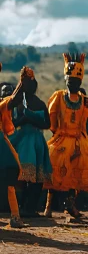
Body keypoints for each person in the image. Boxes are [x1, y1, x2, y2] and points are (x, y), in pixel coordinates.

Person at [45, 54, 88, 218]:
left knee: (77, 175)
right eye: (70, 81)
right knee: (55, 173)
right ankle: (48, 206)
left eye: (76, 82)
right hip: (62, 138)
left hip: (79, 140)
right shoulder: (58, 96)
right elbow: (52, 118)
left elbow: (84, 123)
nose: (73, 84)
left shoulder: (84, 101)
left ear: (80, 83)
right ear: (66, 80)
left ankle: (70, 205)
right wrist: (59, 136)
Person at [10, 68, 52, 217]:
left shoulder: (40, 104)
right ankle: (22, 207)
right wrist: (24, 118)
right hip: (22, 140)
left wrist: (30, 118)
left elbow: (48, 124)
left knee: (37, 177)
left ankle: (30, 208)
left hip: (35, 141)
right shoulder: (16, 103)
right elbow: (13, 123)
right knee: (21, 175)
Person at [1, 66, 31, 227]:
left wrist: (22, 83)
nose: (7, 95)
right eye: (5, 92)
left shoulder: (4, 105)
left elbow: (14, 99)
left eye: (9, 92)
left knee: (11, 174)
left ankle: (15, 217)